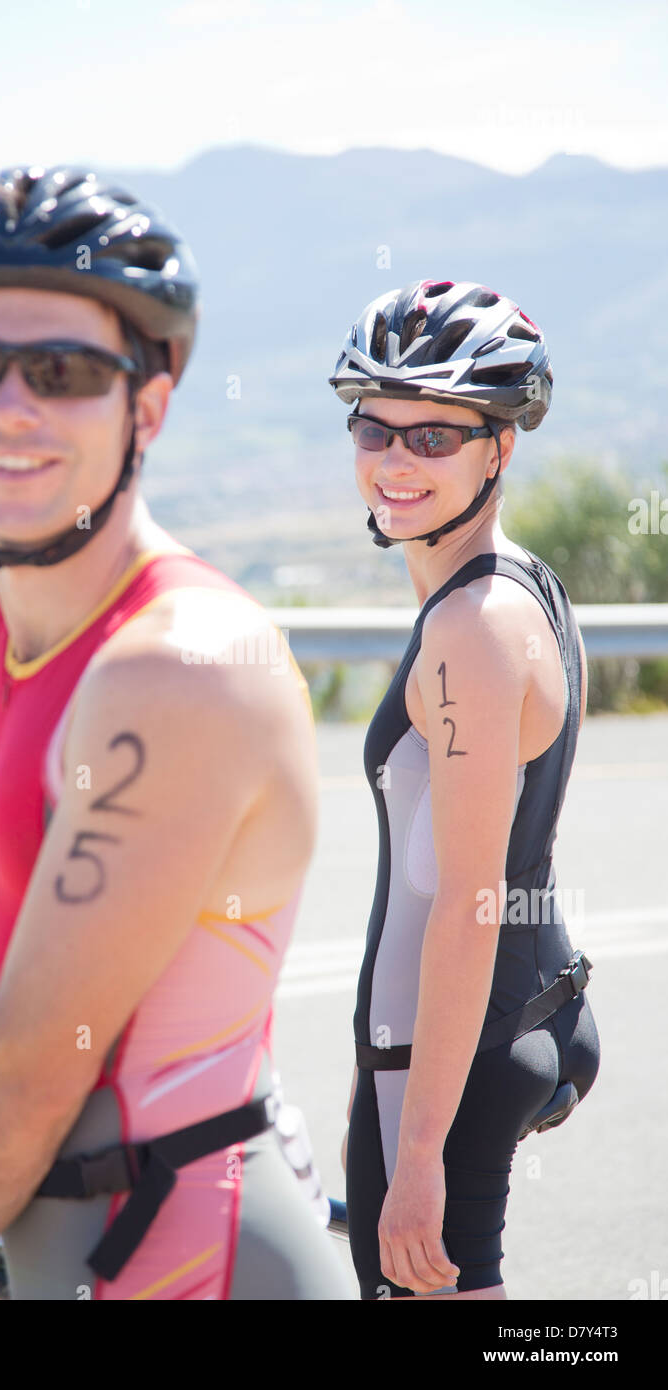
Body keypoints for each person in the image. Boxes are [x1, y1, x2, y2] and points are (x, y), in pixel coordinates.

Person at [0, 165, 350, 1300]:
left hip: (184, 1256)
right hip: (56, 1236)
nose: (10, 405)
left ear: (149, 406)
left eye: (64, 371)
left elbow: (29, 1076)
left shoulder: (178, 668)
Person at [329, 279, 600, 1301]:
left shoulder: (469, 629)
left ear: (500, 445)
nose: (395, 462)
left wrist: (415, 1160)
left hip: (447, 1055)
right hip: (531, 1004)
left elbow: (464, 902)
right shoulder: (521, 580)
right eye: (373, 427)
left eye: (434, 437)